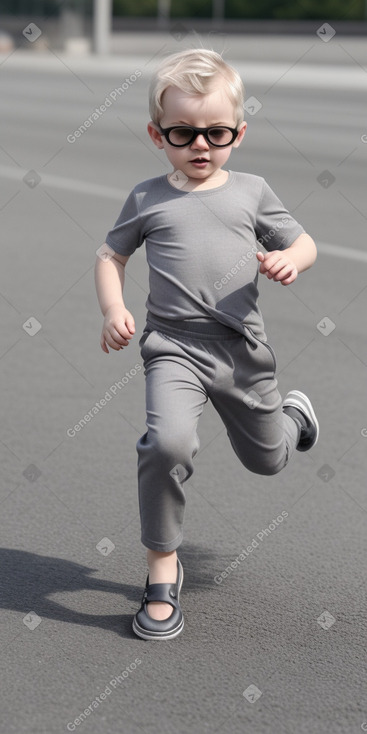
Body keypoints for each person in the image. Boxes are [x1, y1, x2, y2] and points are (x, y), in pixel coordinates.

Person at [94, 48, 319, 641]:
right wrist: (115, 309)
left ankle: (292, 419)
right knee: (166, 444)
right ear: (156, 134)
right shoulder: (147, 198)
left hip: (242, 352)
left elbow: (305, 242)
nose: (200, 144)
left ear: (237, 133)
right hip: (172, 348)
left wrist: (289, 260)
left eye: (216, 132)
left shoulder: (252, 191)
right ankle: (162, 575)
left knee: (268, 461)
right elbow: (109, 255)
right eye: (183, 132)